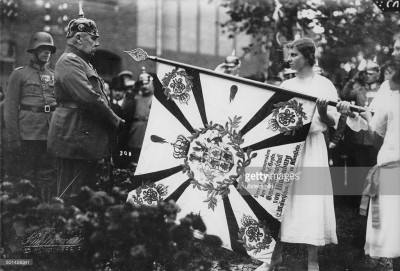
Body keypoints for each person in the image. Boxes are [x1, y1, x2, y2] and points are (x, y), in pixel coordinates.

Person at [259, 38, 339, 271]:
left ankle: (312, 261)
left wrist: (323, 112)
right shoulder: (285, 86)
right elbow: (273, 121)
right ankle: (274, 258)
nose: (289, 58)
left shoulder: (324, 85)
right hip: (288, 150)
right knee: (282, 199)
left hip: (313, 148)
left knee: (311, 200)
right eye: (289, 54)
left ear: (308, 57)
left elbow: (332, 122)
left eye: (294, 54)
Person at [47, 11, 124, 198]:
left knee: (82, 194)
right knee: (70, 195)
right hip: (73, 139)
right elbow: (88, 98)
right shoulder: (69, 62)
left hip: (81, 138)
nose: (97, 43)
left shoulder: (82, 63)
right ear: (79, 38)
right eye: (93, 38)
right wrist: (115, 121)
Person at [336, 54, 400, 270]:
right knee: (394, 240)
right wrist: (355, 115)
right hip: (392, 170)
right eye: (395, 48)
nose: (394, 53)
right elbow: (376, 133)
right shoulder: (387, 88)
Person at [4, 32, 57, 201]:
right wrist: (14, 138)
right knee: (27, 175)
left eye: (49, 49)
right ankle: (27, 212)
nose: (47, 52)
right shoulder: (19, 74)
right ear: (33, 50)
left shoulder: (54, 76)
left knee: (47, 174)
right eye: (42, 48)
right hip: (27, 134)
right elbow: (10, 109)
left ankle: (45, 212)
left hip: (49, 133)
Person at [125, 67, 154, 165]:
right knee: (134, 159)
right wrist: (132, 92)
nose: (144, 86)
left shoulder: (155, 98)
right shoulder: (135, 97)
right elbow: (125, 110)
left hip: (149, 130)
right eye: (142, 84)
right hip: (136, 130)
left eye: (147, 83)